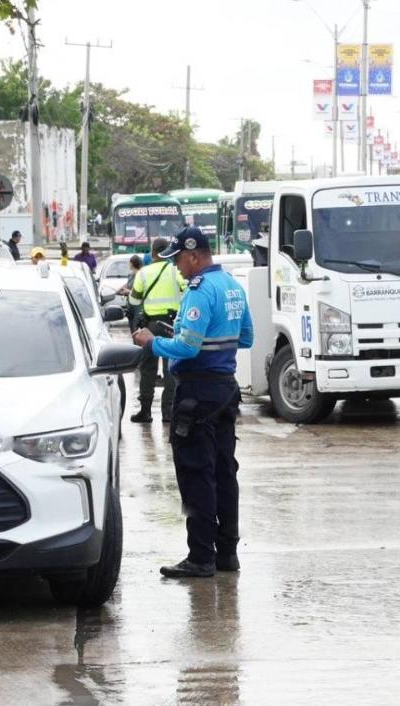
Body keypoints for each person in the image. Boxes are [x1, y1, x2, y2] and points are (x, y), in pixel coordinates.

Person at [133, 227, 254, 578]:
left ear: (194, 255)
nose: (177, 269)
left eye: (178, 261)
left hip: (197, 394)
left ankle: (201, 556)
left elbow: (187, 349)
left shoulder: (200, 291)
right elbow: (246, 337)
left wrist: (151, 342)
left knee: (195, 474)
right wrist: (207, 339)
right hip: (225, 390)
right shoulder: (232, 285)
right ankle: (227, 553)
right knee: (224, 472)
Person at [128, 237, 186, 423]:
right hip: (172, 326)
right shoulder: (175, 270)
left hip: (151, 326)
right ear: (167, 251)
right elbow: (188, 290)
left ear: (152, 253)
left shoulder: (143, 273)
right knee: (171, 368)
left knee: (148, 369)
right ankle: (168, 412)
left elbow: (134, 301)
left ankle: (145, 411)